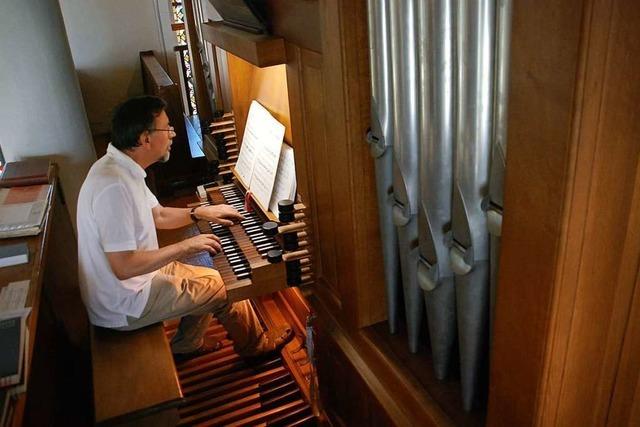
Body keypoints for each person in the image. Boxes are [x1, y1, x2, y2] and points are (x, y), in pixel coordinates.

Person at [76, 95, 293, 359]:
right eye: (167, 127)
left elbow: (159, 216)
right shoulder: (114, 187)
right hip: (123, 302)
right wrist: (185, 245)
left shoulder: (119, 167)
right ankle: (256, 347)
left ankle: (187, 344)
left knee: (209, 276)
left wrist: (200, 212)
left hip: (127, 283)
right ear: (146, 138)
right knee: (221, 287)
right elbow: (124, 267)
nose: (173, 133)